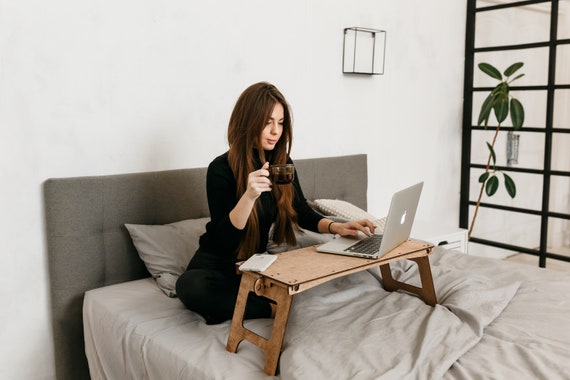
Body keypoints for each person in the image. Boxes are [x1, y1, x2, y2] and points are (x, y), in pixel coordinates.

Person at [175, 82, 375, 324]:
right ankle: (267, 310)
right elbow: (224, 239)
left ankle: (235, 306)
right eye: (268, 122)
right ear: (249, 120)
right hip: (216, 265)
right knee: (189, 286)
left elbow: (300, 210)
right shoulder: (221, 169)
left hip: (253, 265)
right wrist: (249, 196)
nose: (275, 131)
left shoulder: (281, 162)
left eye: (280, 123)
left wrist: (336, 227)